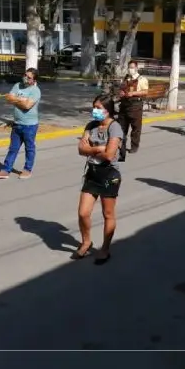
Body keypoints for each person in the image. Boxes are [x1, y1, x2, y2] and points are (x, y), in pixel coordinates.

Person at [73, 95, 124, 264]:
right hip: (92, 173)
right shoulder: (91, 125)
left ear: (107, 110)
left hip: (109, 175)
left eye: (98, 107)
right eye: (93, 107)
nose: (94, 110)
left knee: (107, 214)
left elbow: (109, 155)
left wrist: (91, 148)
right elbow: (81, 149)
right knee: (83, 213)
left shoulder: (114, 128)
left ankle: (105, 249)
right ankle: (86, 241)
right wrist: (98, 148)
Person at [0, 68, 41, 180]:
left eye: (29, 77)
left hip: (30, 125)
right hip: (17, 123)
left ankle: (27, 169)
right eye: (25, 75)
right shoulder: (17, 85)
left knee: (29, 148)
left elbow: (27, 106)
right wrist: (22, 100)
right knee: (13, 148)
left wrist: (16, 99)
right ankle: (5, 170)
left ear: (34, 80)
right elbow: (8, 98)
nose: (26, 78)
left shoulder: (35, 90)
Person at [117, 60, 148, 161]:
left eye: (132, 67)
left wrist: (134, 93)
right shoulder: (126, 78)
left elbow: (145, 92)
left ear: (136, 68)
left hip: (135, 105)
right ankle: (121, 145)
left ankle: (134, 146)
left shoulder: (142, 79)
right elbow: (121, 89)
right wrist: (121, 93)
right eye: (129, 67)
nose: (130, 69)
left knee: (136, 128)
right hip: (124, 105)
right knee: (121, 127)